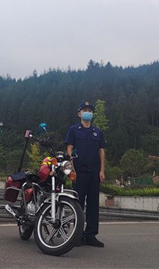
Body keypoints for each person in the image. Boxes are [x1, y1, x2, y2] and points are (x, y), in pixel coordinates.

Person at [65, 101, 106, 247]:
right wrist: (72, 168)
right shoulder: (73, 130)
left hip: (94, 172)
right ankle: (78, 235)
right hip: (79, 172)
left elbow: (101, 151)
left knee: (93, 204)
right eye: (84, 110)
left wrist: (102, 170)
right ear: (79, 114)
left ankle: (91, 235)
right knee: (78, 204)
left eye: (90, 110)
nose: (87, 112)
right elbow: (69, 148)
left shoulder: (98, 132)